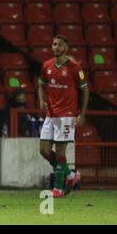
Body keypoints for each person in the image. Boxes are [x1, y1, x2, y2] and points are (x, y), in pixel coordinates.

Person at [38, 34, 89, 198]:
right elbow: (41, 85)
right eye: (54, 44)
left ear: (66, 47)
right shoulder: (46, 66)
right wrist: (41, 100)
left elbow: (85, 90)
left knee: (60, 153)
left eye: (60, 45)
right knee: (44, 150)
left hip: (66, 115)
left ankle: (58, 189)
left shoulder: (75, 67)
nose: (56, 47)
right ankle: (71, 175)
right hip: (51, 114)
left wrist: (82, 113)